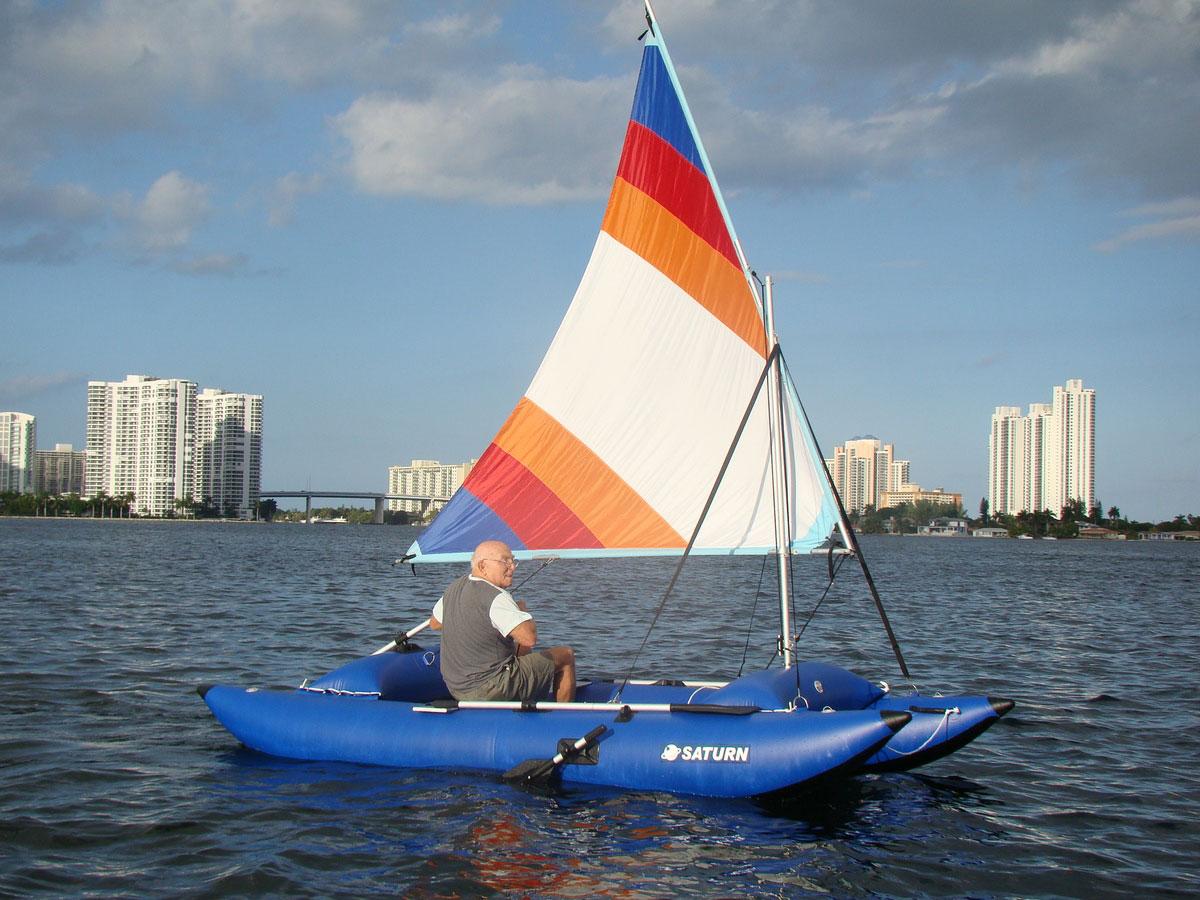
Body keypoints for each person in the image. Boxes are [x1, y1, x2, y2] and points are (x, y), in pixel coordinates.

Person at [429, 540, 576, 702]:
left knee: (521, 650)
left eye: (513, 561)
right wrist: (523, 613)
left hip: (457, 688)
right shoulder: (496, 597)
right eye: (505, 561)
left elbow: (435, 624)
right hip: (489, 689)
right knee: (565, 655)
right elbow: (529, 638)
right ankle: (563, 716)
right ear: (483, 566)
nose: (512, 567)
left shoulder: (454, 587)